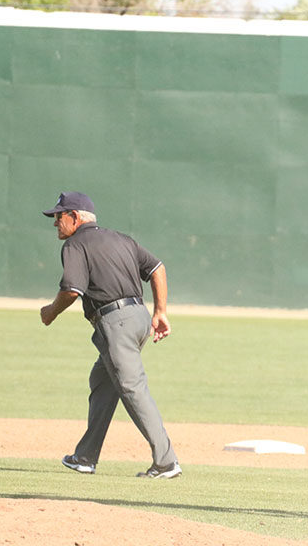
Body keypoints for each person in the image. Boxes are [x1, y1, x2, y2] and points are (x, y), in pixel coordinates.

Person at [39, 191, 181, 479]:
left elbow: (71, 290)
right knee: (102, 382)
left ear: (75, 217)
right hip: (139, 318)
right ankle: (85, 457)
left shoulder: (75, 245)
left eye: (58, 216)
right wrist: (160, 312)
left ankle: (166, 462)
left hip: (115, 324)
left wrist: (50, 312)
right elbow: (157, 268)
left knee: (132, 389)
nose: (55, 223)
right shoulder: (121, 239)